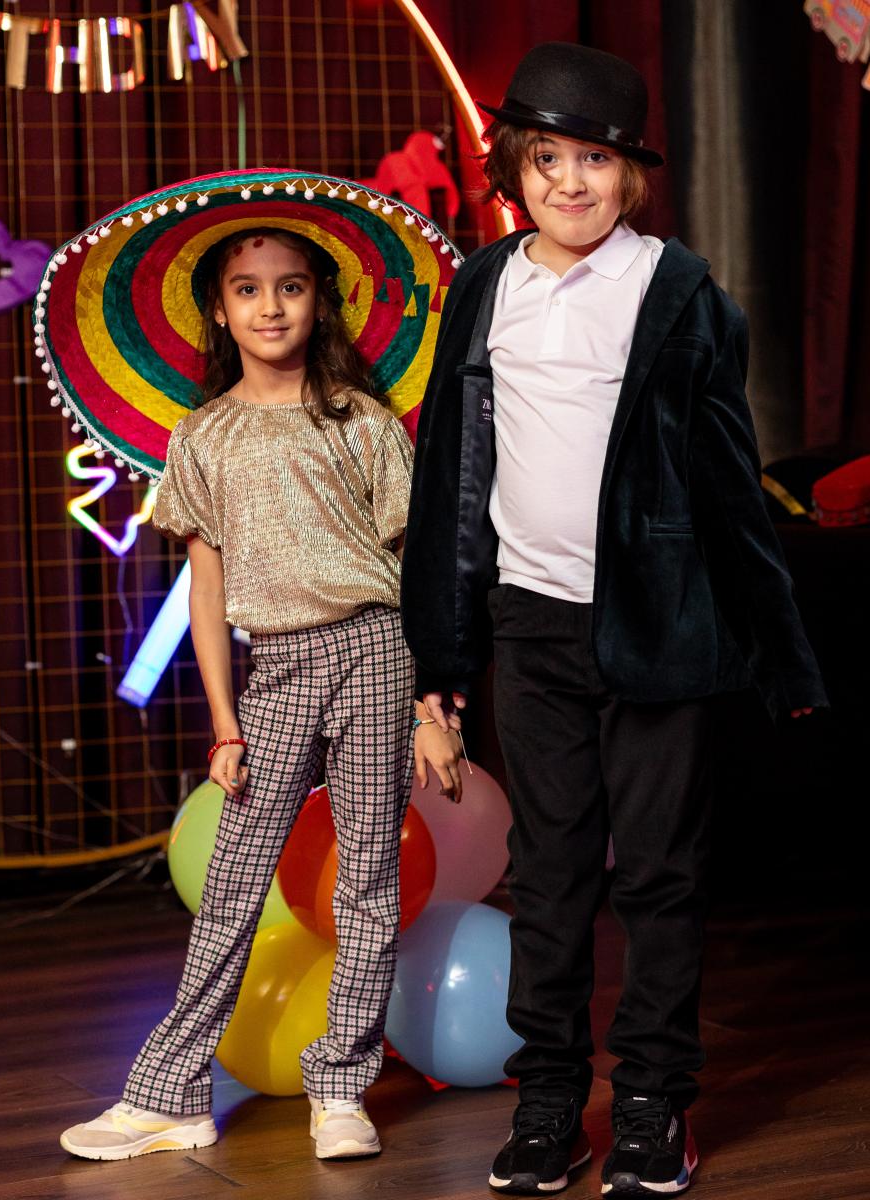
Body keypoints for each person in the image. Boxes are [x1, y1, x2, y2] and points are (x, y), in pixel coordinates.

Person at [400, 42, 827, 1198]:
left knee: (660, 875)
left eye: (595, 159)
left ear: (631, 176)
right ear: (514, 168)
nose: (571, 182)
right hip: (531, 631)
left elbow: (730, 483)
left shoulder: (678, 292)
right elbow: (451, 478)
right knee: (548, 879)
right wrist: (442, 654)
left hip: (658, 627)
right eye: (548, 158)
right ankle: (549, 1105)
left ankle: (651, 1105)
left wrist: (781, 651)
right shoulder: (486, 286)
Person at [58, 175, 462, 1164]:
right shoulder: (202, 436)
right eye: (248, 288)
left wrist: (430, 705)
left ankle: (341, 1088)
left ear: (321, 301)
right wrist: (224, 725)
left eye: (291, 286)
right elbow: (206, 592)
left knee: (367, 881)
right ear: (217, 308)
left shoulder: (363, 422)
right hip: (275, 666)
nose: (270, 306)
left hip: (375, 649)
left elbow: (417, 571)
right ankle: (168, 1094)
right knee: (235, 883)